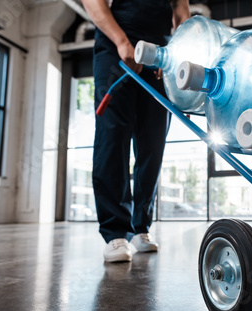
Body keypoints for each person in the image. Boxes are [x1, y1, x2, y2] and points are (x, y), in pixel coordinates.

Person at [81, 0, 190, 262]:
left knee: (152, 143)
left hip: (160, 59)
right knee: (113, 137)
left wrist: (174, 52)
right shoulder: (117, 43)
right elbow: (92, 2)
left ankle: (140, 227)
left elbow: (182, 14)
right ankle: (115, 233)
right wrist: (121, 42)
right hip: (116, 47)